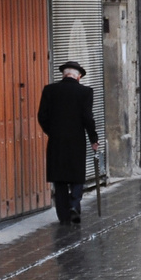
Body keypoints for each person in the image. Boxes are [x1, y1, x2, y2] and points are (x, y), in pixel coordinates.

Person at [37, 61, 99, 224]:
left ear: (64, 74)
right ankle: (74, 203)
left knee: (60, 178)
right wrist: (93, 139)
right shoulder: (85, 92)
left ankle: (64, 217)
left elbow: (42, 116)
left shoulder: (49, 90)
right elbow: (88, 118)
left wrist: (52, 131)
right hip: (76, 140)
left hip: (56, 141)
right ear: (78, 76)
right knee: (77, 175)